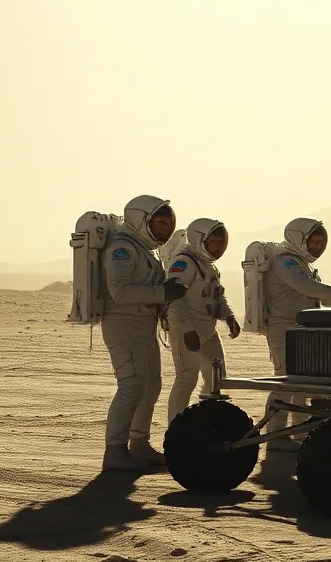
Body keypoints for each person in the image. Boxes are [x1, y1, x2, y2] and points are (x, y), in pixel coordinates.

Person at [263, 218, 331, 449]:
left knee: (301, 381)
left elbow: (316, 295)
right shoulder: (285, 263)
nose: (319, 247)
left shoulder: (301, 264)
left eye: (322, 243)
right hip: (283, 328)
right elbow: (305, 287)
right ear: (299, 238)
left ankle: (301, 434)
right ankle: (275, 435)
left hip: (300, 329)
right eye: (315, 241)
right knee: (284, 381)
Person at [101, 194, 187, 471]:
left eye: (168, 224)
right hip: (123, 324)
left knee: (151, 386)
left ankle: (138, 444)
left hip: (143, 324)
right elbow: (120, 291)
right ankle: (114, 451)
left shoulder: (143, 250)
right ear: (141, 220)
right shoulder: (122, 249)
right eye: (159, 223)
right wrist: (162, 292)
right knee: (132, 386)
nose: (164, 229)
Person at [164, 218, 239, 424]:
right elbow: (174, 298)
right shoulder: (184, 262)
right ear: (200, 240)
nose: (218, 247)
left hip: (206, 330)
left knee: (217, 376)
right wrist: (187, 329)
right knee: (186, 378)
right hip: (186, 330)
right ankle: (175, 431)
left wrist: (229, 316)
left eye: (221, 243)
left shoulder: (207, 266)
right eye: (214, 242)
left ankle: (206, 420)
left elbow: (217, 296)